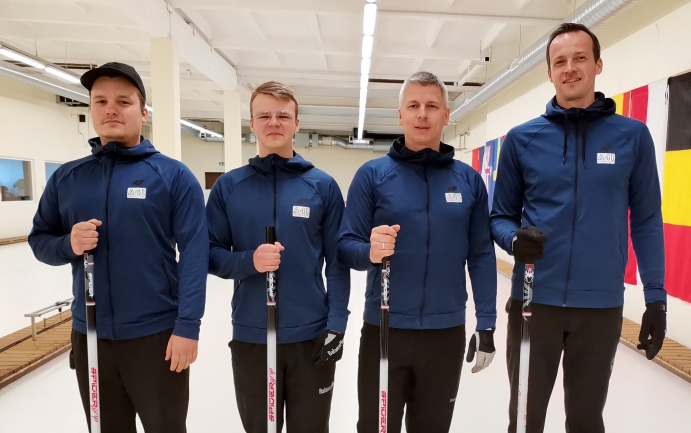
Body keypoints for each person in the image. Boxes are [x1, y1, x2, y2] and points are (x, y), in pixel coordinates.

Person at [490, 23, 667, 433]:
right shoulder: (522, 139)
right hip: (533, 303)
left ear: (598, 64)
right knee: (525, 419)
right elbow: (499, 217)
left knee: (587, 421)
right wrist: (514, 240)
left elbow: (646, 220)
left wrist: (656, 299)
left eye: (580, 58)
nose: (570, 68)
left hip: (600, 308)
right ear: (549, 73)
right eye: (560, 61)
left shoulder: (632, 137)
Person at [28, 62, 208, 433]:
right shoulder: (68, 178)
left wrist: (188, 326)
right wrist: (68, 244)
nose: (111, 109)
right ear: (91, 109)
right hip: (90, 335)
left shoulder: (172, 176)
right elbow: (39, 240)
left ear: (143, 113)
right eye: (101, 101)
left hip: (155, 336)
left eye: (123, 102)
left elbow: (194, 252)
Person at [337, 71, 498, 433]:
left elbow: (481, 255)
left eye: (431, 106)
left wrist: (486, 321)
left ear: (446, 115)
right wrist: (370, 252)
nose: (422, 114)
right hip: (385, 328)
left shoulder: (469, 181)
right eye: (413, 106)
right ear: (400, 115)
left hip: (446, 333)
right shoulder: (372, 175)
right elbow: (345, 246)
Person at [206, 81, 350, 433]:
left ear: (296, 123)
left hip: (311, 336)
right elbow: (209, 254)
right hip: (252, 336)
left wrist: (336, 324)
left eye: (283, 116)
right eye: (264, 115)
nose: (274, 122)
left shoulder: (322, 186)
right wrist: (249, 262)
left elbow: (337, 263)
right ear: (252, 124)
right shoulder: (229, 187)